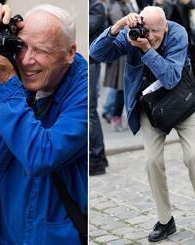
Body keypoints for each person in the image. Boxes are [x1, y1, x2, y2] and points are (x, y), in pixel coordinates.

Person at [0, 3, 87, 244]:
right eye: (21, 46)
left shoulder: (83, 93)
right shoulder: (13, 70)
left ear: (70, 52)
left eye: (41, 50)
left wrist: (8, 83)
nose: (26, 60)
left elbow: (41, 155)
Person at [90, 6, 195, 242]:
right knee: (152, 161)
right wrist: (118, 26)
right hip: (150, 107)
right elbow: (97, 54)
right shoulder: (133, 33)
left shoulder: (177, 33)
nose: (150, 36)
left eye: (156, 31)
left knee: (194, 156)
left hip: (180, 102)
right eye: (147, 30)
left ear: (166, 26)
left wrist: (146, 50)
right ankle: (165, 221)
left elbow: (171, 77)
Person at [89, 0, 108, 176]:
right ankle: (99, 156)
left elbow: (86, 28)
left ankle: (96, 159)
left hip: (91, 62)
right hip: (85, 61)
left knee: (90, 111)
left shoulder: (96, 6)